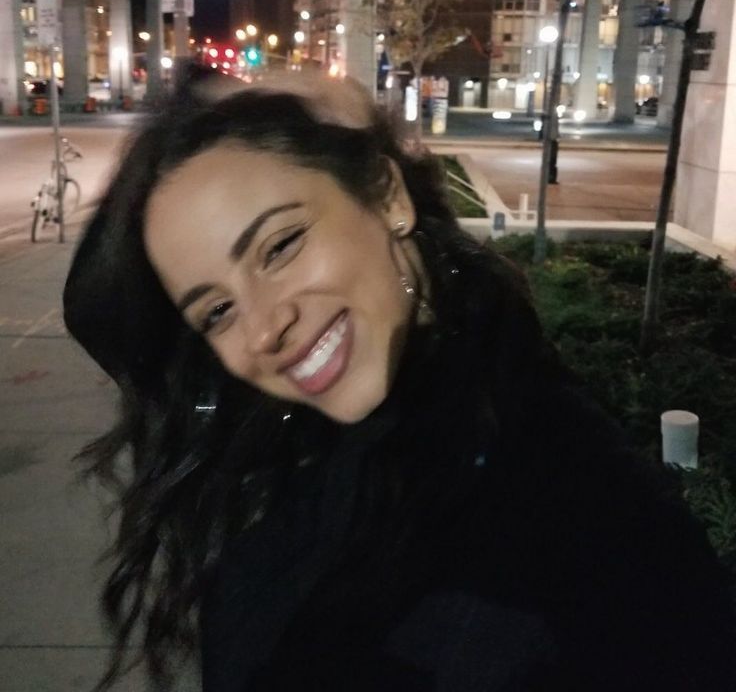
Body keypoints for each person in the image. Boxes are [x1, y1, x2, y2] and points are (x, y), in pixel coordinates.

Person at [63, 68, 734, 692]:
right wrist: (204, 114)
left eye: (281, 246)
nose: (264, 330)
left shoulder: (587, 513)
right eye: (217, 311)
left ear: (387, 197)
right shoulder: (307, 440)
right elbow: (99, 309)